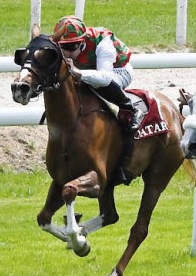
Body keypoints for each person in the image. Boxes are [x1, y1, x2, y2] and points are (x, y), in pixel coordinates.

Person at [51, 15, 145, 180]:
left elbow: (105, 78)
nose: (67, 52)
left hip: (117, 71)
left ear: (82, 42)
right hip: (91, 70)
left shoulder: (103, 44)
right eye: (62, 47)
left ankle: (129, 107)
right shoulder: (67, 47)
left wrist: (79, 73)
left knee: (97, 84)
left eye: (71, 47)